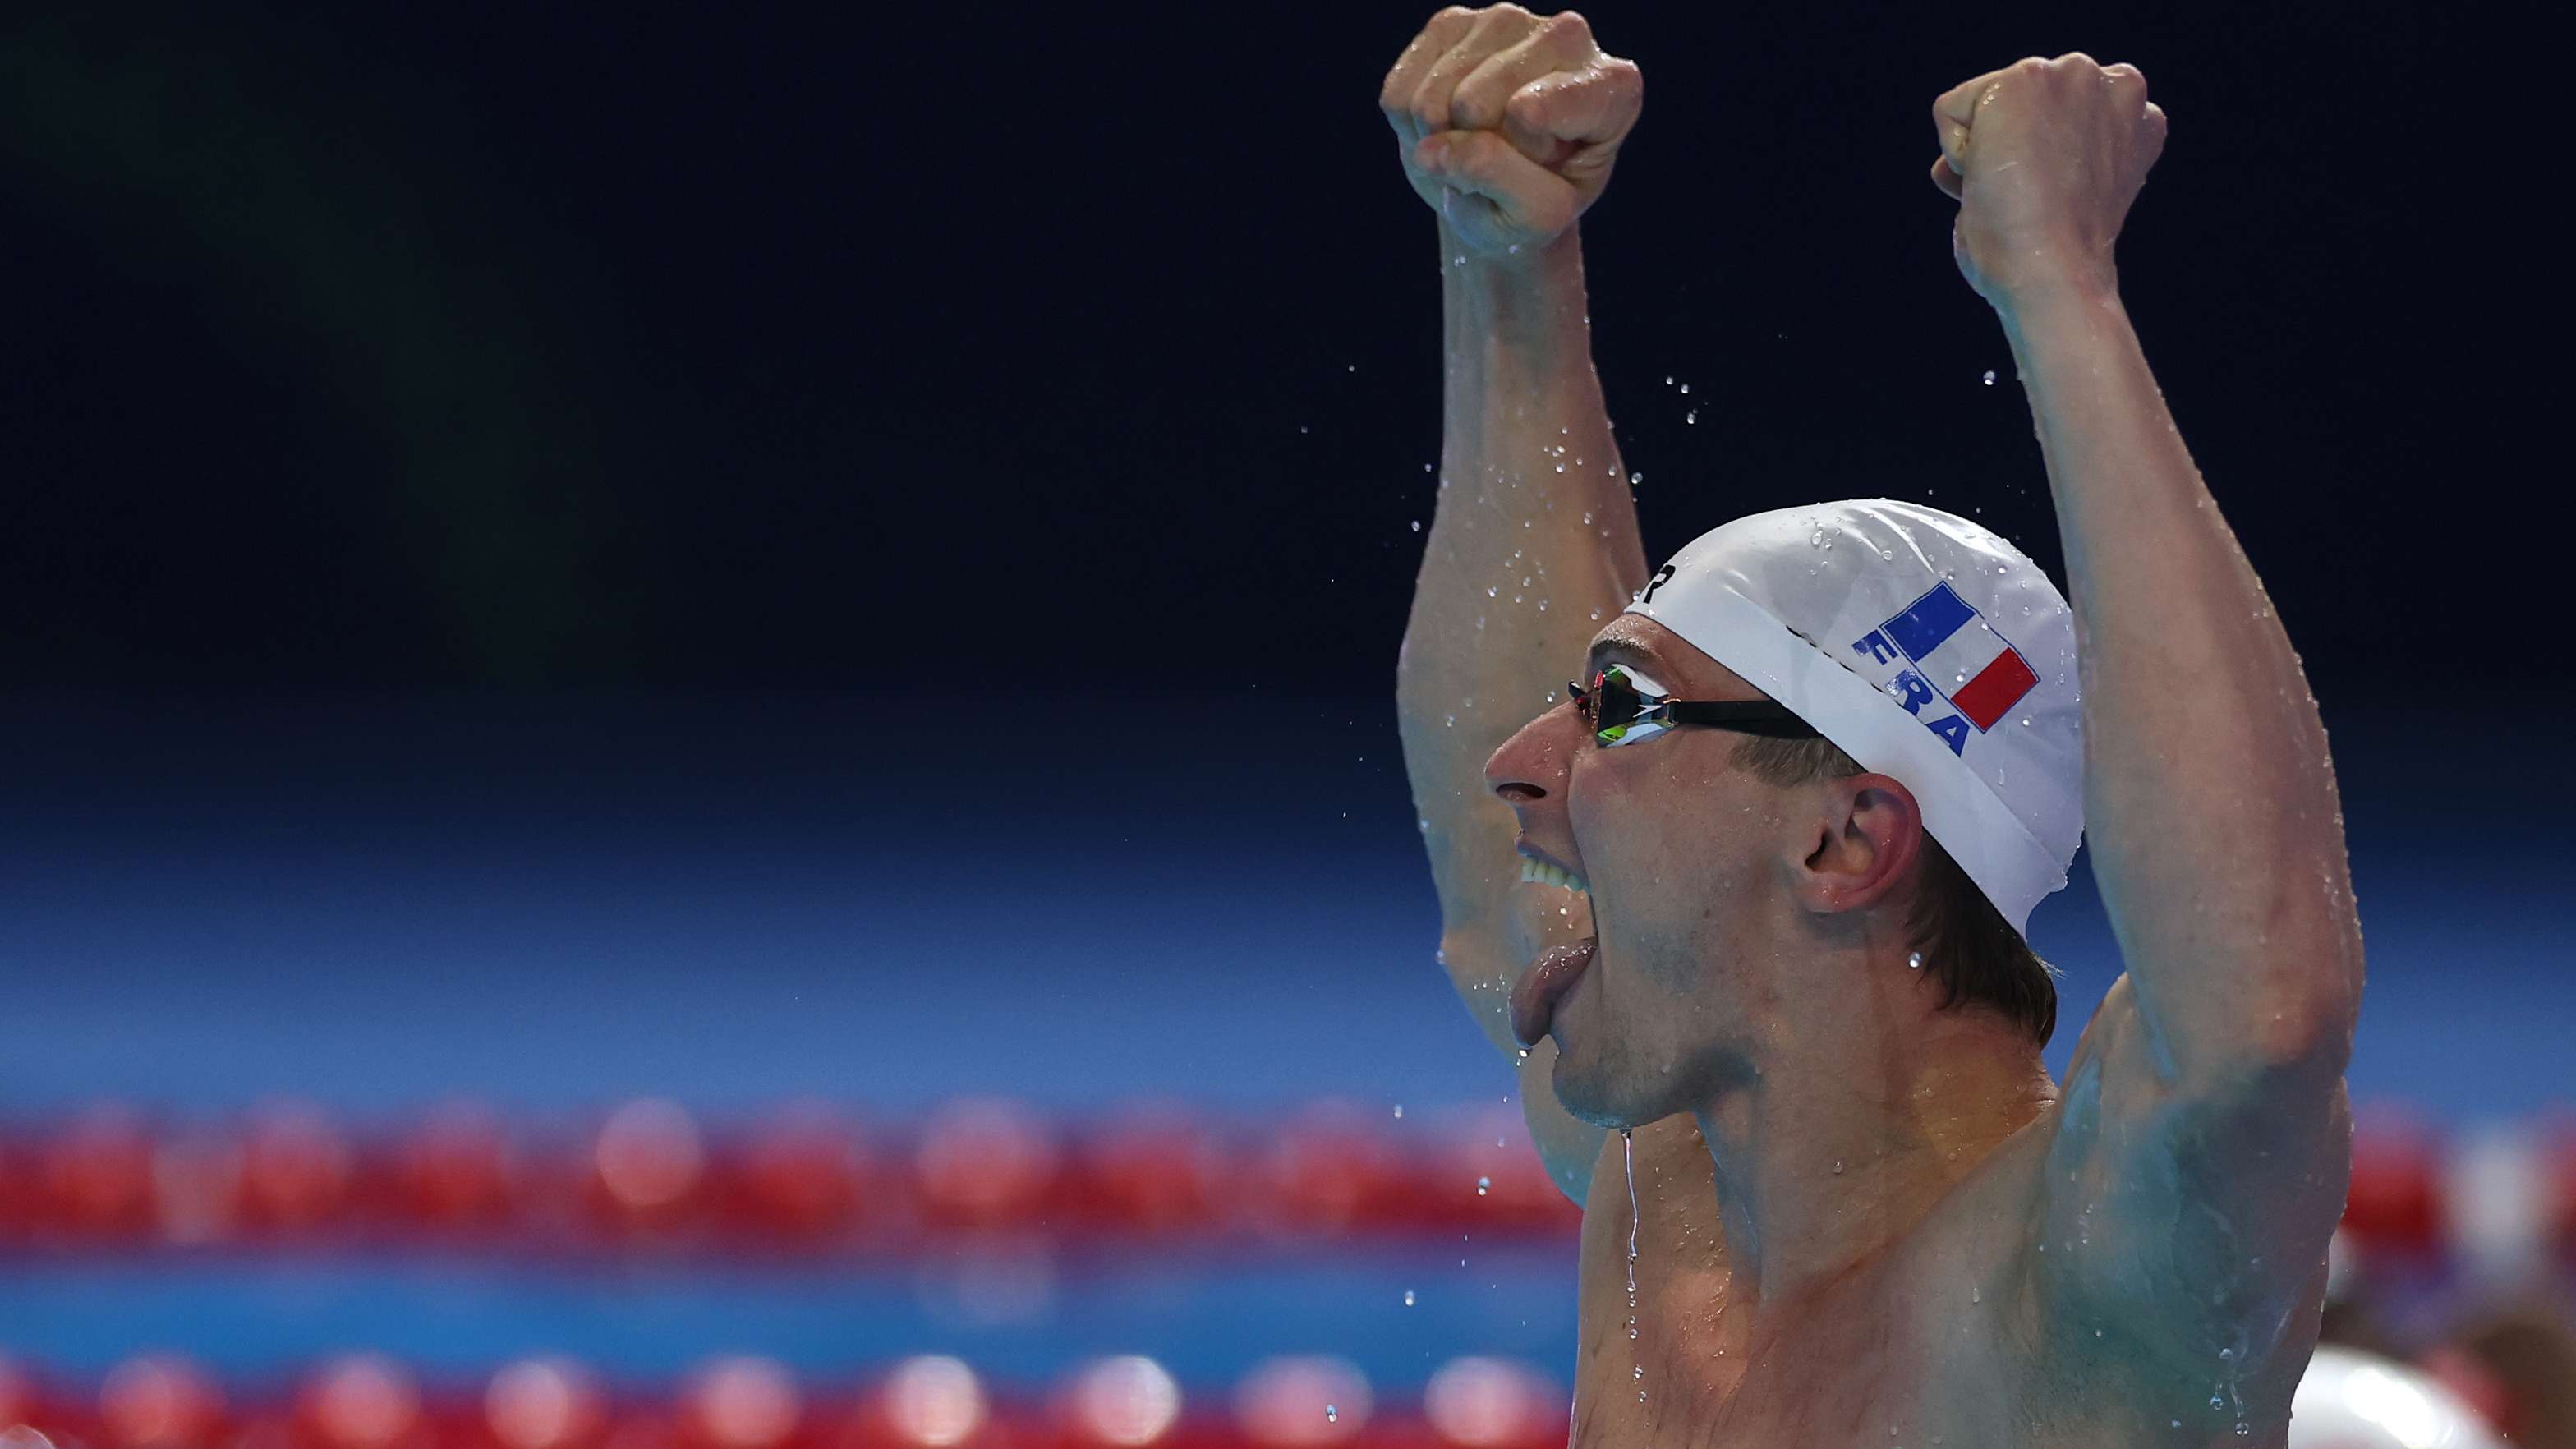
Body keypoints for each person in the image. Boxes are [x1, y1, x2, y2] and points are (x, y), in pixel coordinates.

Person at [1385, 6, 2363, 1444]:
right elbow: (1499, 898)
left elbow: (2257, 1024)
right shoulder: (1666, 1192)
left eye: (1617, 712)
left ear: (1848, 839)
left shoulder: (2083, 1290)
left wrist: (2060, 289)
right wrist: (1506, 265)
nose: (1518, 765)